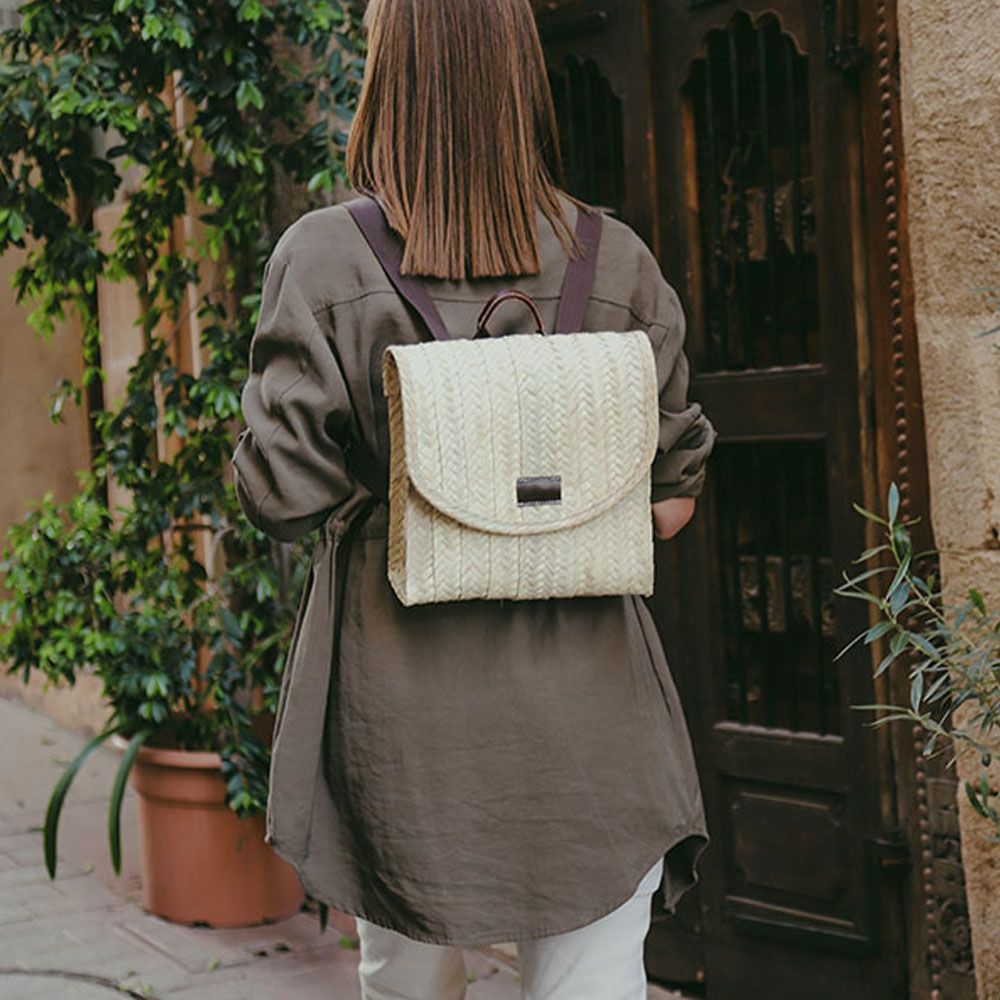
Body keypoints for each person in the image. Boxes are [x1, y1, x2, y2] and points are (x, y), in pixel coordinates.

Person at [231, 0, 717, 996]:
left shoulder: (323, 260)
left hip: (399, 730)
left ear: (386, 75)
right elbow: (670, 510)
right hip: (592, 726)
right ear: (520, 74)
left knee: (406, 982)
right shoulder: (615, 259)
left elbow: (278, 494)